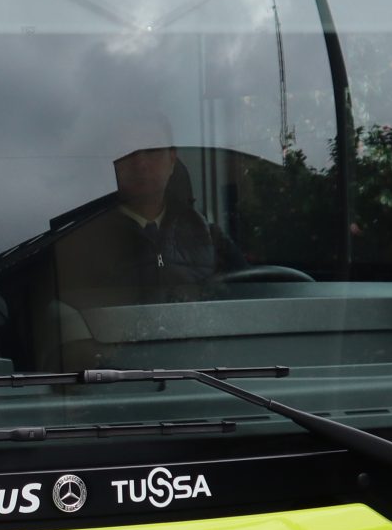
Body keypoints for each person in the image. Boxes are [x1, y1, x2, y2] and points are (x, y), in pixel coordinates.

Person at [31, 114, 246, 365]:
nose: (141, 164)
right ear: (110, 163)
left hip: (211, 380)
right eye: (127, 152)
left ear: (172, 158)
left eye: (152, 150)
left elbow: (255, 306)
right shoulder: (71, 245)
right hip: (115, 384)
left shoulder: (211, 239)